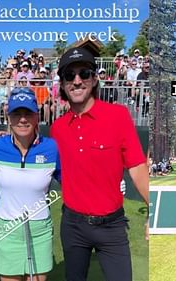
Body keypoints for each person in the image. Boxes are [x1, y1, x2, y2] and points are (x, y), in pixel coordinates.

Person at [50, 47, 149, 281]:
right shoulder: (57, 129)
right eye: (69, 75)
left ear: (94, 79)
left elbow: (136, 166)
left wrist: (151, 214)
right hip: (73, 225)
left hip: (112, 226)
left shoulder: (118, 116)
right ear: (62, 84)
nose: (77, 81)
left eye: (84, 73)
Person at [0, 87, 60, 281]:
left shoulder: (51, 148)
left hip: (40, 230)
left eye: (28, 113)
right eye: (17, 114)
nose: (23, 119)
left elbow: (71, 181)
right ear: (9, 117)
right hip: (6, 228)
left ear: (37, 117)